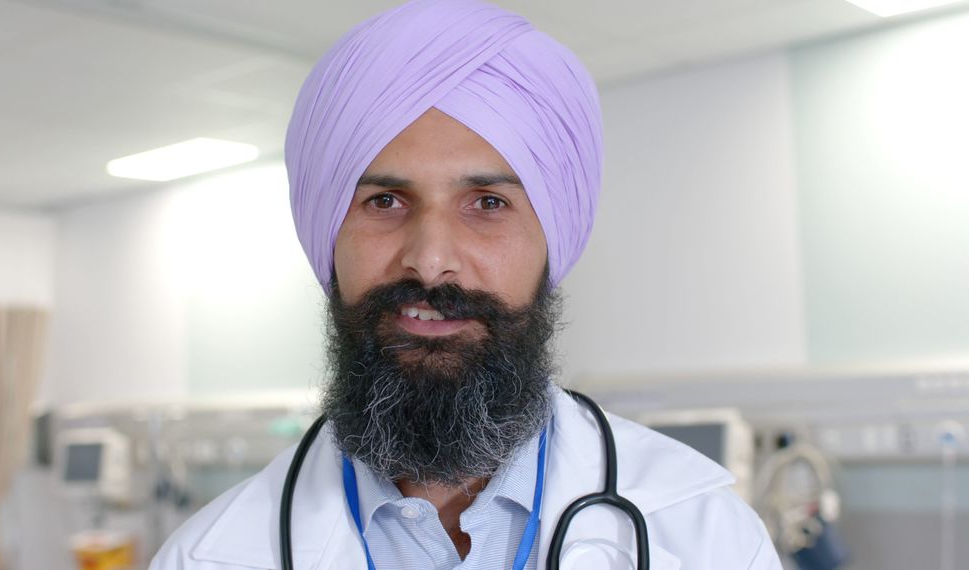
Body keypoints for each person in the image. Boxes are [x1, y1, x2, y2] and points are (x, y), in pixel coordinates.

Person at [150, 1, 782, 568]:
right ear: (329, 239)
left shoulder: (706, 538)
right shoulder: (205, 556)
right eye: (385, 200)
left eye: (486, 203)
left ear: (553, 239)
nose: (429, 262)